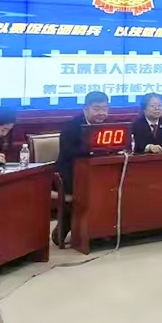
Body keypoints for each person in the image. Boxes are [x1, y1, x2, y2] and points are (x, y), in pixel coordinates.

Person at [55, 91, 110, 243]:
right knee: (89, 190)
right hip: (70, 173)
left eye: (105, 108)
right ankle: (66, 229)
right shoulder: (71, 127)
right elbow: (70, 153)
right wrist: (92, 152)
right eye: (97, 109)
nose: (101, 113)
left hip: (97, 172)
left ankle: (102, 230)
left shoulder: (108, 126)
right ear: (85, 108)